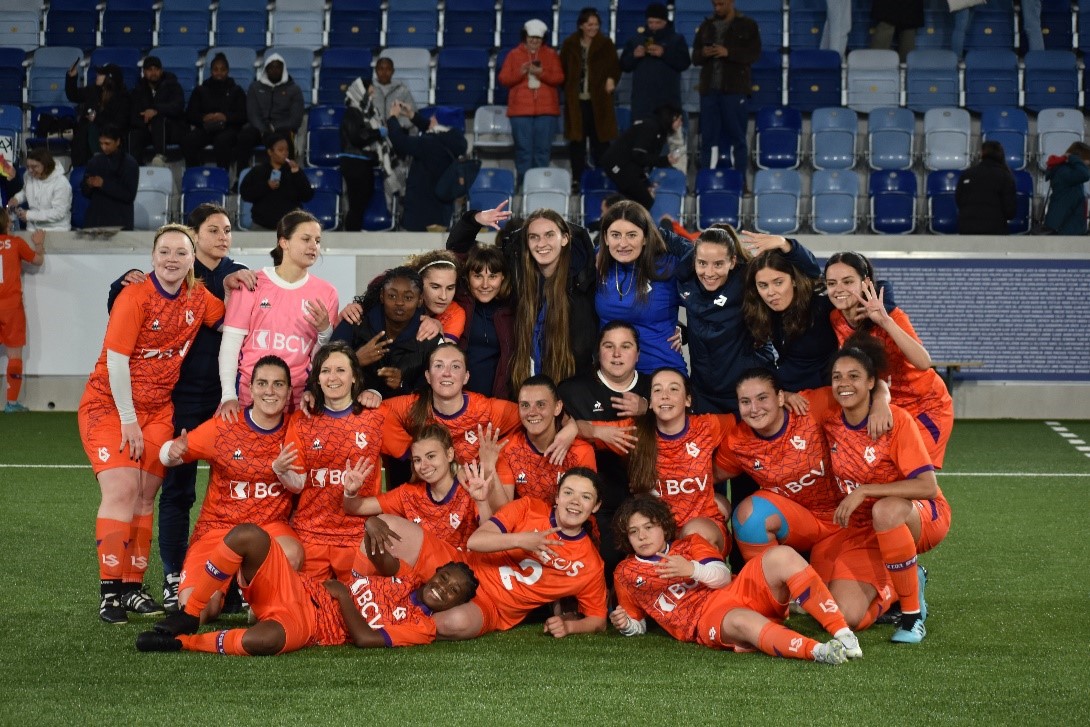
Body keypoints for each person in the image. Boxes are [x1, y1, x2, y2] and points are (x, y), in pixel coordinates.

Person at [107, 204, 253, 611]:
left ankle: (233, 581)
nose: (223, 237)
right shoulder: (168, 274)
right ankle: (174, 576)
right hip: (181, 401)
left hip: (227, 401)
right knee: (177, 491)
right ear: (193, 235)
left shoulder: (239, 275)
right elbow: (125, 306)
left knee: (237, 490)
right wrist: (119, 283)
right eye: (213, 230)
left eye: (228, 230)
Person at [78, 224, 225, 623]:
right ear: (153, 256)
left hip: (159, 410)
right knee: (122, 490)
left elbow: (233, 322)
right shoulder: (135, 296)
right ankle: (109, 593)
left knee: (145, 496)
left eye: (181, 253)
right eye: (164, 252)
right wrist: (128, 420)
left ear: (192, 260)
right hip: (110, 407)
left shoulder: (199, 297)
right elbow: (116, 362)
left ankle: (132, 587)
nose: (171, 260)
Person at [135, 522, 478, 654]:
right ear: (435, 573)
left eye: (453, 593)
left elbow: (366, 639)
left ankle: (183, 643)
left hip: (311, 625)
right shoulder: (410, 578)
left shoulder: (423, 627)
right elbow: (381, 559)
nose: (443, 589)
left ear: (455, 604)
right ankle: (191, 613)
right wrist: (373, 525)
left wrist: (344, 596)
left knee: (262, 641)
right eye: (445, 579)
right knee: (247, 535)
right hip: (298, 587)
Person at [810, 337, 950, 643]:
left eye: (854, 376)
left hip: (920, 515)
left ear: (872, 382)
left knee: (885, 509)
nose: (844, 384)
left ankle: (912, 617)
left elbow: (927, 486)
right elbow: (788, 403)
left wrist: (865, 490)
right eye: (837, 377)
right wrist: (784, 398)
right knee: (845, 617)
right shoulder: (830, 416)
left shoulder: (896, 420)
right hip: (864, 527)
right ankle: (899, 585)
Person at [363, 467, 608, 640]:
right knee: (387, 525)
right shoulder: (529, 508)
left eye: (585, 497)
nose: (575, 501)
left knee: (456, 622)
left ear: (596, 506)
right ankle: (361, 591)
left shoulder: (589, 564)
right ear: (557, 496)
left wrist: (569, 627)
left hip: (492, 606)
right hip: (460, 567)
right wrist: (522, 540)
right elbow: (476, 541)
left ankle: (391, 623)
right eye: (568, 492)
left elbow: (598, 619)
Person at [610, 496, 859, 664]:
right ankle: (818, 651)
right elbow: (637, 625)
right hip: (705, 617)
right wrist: (625, 624)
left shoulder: (690, 543)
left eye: (649, 527)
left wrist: (691, 569)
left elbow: (721, 576)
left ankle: (844, 634)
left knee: (782, 555)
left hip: (736, 590)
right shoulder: (625, 572)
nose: (642, 536)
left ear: (664, 527)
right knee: (741, 620)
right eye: (633, 531)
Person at [160, 355, 304, 619]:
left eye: (278, 384)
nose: (270, 391)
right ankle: (228, 586)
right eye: (262, 383)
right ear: (250, 388)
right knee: (198, 611)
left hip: (269, 527)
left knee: (292, 554)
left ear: (289, 391)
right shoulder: (225, 426)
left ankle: (253, 590)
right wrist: (172, 451)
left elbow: (299, 483)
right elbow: (167, 455)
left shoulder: (296, 429)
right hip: (218, 528)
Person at [715, 367, 889, 561]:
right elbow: (708, 476)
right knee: (750, 516)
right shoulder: (737, 442)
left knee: (841, 580)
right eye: (745, 402)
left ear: (781, 397)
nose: (754, 409)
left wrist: (880, 402)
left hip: (852, 516)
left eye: (762, 398)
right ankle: (768, 578)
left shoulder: (810, 406)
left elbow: (870, 386)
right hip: (806, 524)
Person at [448, 205, 599, 394]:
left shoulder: (585, 277)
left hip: (572, 386)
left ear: (565, 238)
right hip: (522, 387)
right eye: (534, 237)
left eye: (550, 235)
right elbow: (456, 249)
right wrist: (475, 219)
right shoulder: (516, 274)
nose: (541, 243)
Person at [825, 252, 953, 467]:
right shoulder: (834, 318)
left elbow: (923, 362)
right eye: (831, 283)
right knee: (881, 473)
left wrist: (884, 321)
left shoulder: (892, 315)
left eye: (847, 282)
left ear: (865, 282)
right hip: (884, 405)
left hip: (923, 406)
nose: (838, 289)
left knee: (915, 476)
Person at [587, 368, 732, 554]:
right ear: (649, 402)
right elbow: (579, 428)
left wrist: (719, 472)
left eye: (673, 389)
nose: (665, 396)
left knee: (695, 535)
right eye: (657, 390)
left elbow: (747, 428)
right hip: (658, 532)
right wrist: (594, 431)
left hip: (702, 526)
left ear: (687, 400)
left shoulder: (707, 426)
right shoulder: (635, 431)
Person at [278, 342, 390, 584]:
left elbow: (410, 456)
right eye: (326, 371)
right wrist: (280, 471)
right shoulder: (302, 419)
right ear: (317, 379)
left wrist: (378, 392)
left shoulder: (377, 416)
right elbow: (296, 483)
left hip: (358, 534)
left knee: (361, 603)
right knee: (305, 603)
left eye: (341, 370)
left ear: (354, 376)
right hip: (311, 533)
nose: (333, 377)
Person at [219, 210, 340, 415]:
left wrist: (325, 331)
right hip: (248, 399)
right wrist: (228, 395)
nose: (314, 246)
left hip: (298, 402)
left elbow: (321, 358)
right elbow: (230, 345)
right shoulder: (251, 282)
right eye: (306, 239)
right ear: (284, 242)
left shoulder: (327, 293)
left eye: (317, 241)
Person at [560, 322, 651, 578]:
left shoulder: (655, 388)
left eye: (626, 346)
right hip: (597, 499)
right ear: (598, 352)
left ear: (638, 354)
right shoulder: (573, 390)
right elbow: (550, 427)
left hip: (646, 493)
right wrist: (591, 430)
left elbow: (685, 420)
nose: (617, 354)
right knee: (605, 565)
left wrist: (647, 407)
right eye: (609, 346)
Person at [343, 423, 499, 560]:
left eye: (431, 456)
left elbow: (491, 539)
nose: (423, 466)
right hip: (424, 573)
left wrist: (482, 502)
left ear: (449, 454)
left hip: (461, 574)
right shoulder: (408, 494)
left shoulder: (470, 488)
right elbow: (355, 507)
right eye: (417, 460)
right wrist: (350, 491)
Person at [380, 344, 528, 487]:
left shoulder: (486, 409)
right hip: (428, 494)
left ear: (466, 377)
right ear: (428, 376)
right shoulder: (414, 406)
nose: (447, 373)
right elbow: (376, 414)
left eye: (455, 366)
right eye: (439, 366)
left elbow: (532, 416)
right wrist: (413, 452)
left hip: (473, 494)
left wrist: (499, 453)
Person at [595, 200, 687, 374]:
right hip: (613, 375)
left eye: (631, 235)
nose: (623, 243)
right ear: (606, 238)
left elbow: (708, 304)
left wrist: (688, 331)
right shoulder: (597, 266)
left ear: (645, 237)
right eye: (615, 235)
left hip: (661, 374)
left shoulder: (668, 267)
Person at [332, 266, 442, 398]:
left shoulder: (430, 337)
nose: (399, 302)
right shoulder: (355, 321)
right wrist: (355, 361)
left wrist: (401, 385)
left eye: (408, 297)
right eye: (392, 296)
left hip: (404, 409)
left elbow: (433, 392)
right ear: (382, 296)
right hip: (352, 406)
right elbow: (323, 367)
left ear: (420, 300)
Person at [487, 375, 597, 504]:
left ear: (557, 407)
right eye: (525, 405)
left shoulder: (581, 451)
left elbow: (585, 506)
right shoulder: (507, 449)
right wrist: (488, 468)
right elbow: (503, 510)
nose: (532, 412)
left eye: (541, 404)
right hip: (522, 517)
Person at [446, 228, 516, 400]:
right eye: (478, 276)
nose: (485, 284)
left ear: (503, 277)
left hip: (499, 402)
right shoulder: (458, 303)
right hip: (457, 401)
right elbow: (455, 247)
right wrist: (474, 220)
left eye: (492, 276)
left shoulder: (513, 309)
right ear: (467, 277)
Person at [692, 0, 761, 170]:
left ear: (731, 2)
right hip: (709, 90)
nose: (717, 8)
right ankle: (706, 177)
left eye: (721, 4)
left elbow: (753, 54)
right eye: (714, 4)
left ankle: (740, 179)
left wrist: (728, 52)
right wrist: (703, 53)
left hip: (734, 89)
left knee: (738, 137)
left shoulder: (748, 25)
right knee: (707, 137)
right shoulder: (706, 26)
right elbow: (695, 58)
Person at [559, 7, 620, 190]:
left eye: (596, 24)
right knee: (576, 142)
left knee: (600, 142)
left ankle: (601, 177)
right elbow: (562, 69)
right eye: (589, 24)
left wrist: (612, 79)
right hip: (576, 102)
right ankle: (577, 179)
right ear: (581, 26)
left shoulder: (606, 44)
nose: (593, 28)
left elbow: (615, 67)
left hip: (599, 102)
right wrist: (568, 88)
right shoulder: (569, 44)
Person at [499, 19, 564, 185]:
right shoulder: (514, 54)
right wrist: (520, 72)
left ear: (543, 39)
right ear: (525, 37)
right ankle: (524, 184)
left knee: (543, 151)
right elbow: (504, 79)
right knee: (523, 151)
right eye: (531, 37)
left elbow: (559, 78)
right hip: (520, 111)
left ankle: (539, 185)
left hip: (546, 111)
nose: (534, 41)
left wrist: (542, 73)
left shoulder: (551, 54)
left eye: (538, 38)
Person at [386, 101, 468, 232]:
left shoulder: (428, 143)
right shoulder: (457, 142)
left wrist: (392, 118)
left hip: (420, 213)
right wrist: (412, 115)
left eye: (434, 117)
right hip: (442, 213)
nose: (431, 118)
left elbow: (399, 141)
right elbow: (432, 129)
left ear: (437, 121)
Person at [0, 211, 44, 412]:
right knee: (15, 355)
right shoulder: (16, 243)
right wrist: (39, 243)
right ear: (6, 224)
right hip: (11, 308)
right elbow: (38, 260)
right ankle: (11, 403)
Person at [600, 105, 683, 210]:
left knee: (632, 201)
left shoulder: (659, 131)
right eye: (679, 119)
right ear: (672, 118)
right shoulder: (650, 127)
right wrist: (665, 160)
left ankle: (623, 218)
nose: (681, 123)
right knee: (645, 200)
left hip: (628, 166)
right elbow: (638, 155)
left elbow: (643, 160)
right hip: (617, 164)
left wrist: (646, 181)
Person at [619, 4, 691, 122]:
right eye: (650, 22)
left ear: (665, 22)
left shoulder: (676, 39)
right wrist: (634, 56)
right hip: (642, 103)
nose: (653, 26)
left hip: (668, 103)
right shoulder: (636, 40)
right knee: (642, 133)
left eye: (658, 23)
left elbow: (684, 63)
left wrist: (664, 53)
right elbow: (624, 65)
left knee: (669, 133)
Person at [182, 52, 247, 170]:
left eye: (222, 70)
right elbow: (190, 114)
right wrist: (203, 118)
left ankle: (223, 176)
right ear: (211, 71)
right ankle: (195, 174)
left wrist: (226, 117)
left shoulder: (236, 90)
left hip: (228, 128)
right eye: (215, 69)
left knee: (222, 141)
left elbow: (243, 115)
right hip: (206, 128)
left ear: (227, 71)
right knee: (189, 140)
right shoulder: (201, 90)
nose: (219, 73)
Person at [238, 54, 305, 168]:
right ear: (266, 69)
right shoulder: (255, 87)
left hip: (281, 129)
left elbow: (295, 119)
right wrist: (263, 129)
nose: (274, 70)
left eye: (278, 67)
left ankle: (288, 175)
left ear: (283, 69)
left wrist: (275, 127)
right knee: (244, 137)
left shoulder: (294, 89)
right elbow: (252, 113)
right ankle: (241, 175)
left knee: (285, 139)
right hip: (259, 129)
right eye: (271, 67)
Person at [239, 132, 315, 231]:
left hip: (289, 227)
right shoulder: (258, 171)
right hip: (261, 226)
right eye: (280, 150)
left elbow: (307, 195)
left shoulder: (294, 171)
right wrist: (266, 186)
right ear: (270, 152)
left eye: (287, 150)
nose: (285, 153)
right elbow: (245, 193)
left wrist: (297, 174)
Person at [339, 77, 385, 233]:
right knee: (356, 204)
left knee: (360, 202)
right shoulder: (353, 111)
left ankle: (353, 232)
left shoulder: (363, 111)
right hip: (354, 162)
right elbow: (357, 136)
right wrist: (377, 132)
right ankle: (351, 235)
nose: (371, 96)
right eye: (369, 93)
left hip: (363, 162)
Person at [66, 62, 130, 168]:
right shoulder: (93, 90)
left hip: (108, 135)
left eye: (100, 74)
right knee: (83, 132)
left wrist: (96, 118)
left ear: (109, 78)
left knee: (94, 129)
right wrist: (72, 78)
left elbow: (119, 123)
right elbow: (73, 95)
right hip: (85, 137)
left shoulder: (122, 97)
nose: (97, 75)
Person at [128, 56, 185, 166]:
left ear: (161, 71)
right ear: (144, 72)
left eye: (156, 69)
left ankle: (160, 157)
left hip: (171, 129)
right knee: (134, 134)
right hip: (147, 129)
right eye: (150, 70)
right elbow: (133, 114)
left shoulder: (173, 85)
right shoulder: (138, 90)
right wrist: (148, 125)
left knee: (158, 119)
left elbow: (178, 107)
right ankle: (135, 166)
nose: (153, 73)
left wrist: (156, 110)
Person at [81, 124, 138, 230]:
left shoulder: (130, 164)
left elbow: (129, 196)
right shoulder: (94, 161)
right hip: (95, 221)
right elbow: (85, 192)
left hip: (120, 221)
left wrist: (103, 184)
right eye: (101, 143)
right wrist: (88, 184)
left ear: (118, 142)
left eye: (107, 143)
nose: (103, 147)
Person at [956, 140, 1016, 235]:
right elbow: (1010, 211)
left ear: (982, 153)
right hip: (995, 230)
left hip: (967, 229)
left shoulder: (967, 174)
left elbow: (959, 200)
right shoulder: (1005, 176)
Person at [404, 250, 465, 342]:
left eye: (450, 288)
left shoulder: (455, 312)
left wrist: (439, 331)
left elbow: (446, 350)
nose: (443, 297)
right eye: (435, 287)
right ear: (418, 284)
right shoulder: (400, 304)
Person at [6, 147, 71, 231]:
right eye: (28, 166)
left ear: (46, 166)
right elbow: (25, 191)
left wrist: (29, 215)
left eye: (34, 167)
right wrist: (17, 199)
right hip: (32, 228)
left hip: (56, 229)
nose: (30, 170)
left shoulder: (61, 183)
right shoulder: (28, 175)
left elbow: (58, 213)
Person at [1044, 141, 1090, 235]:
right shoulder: (1064, 172)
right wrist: (1073, 158)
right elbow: (1084, 174)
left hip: (1069, 229)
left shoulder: (1072, 174)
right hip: (1063, 230)